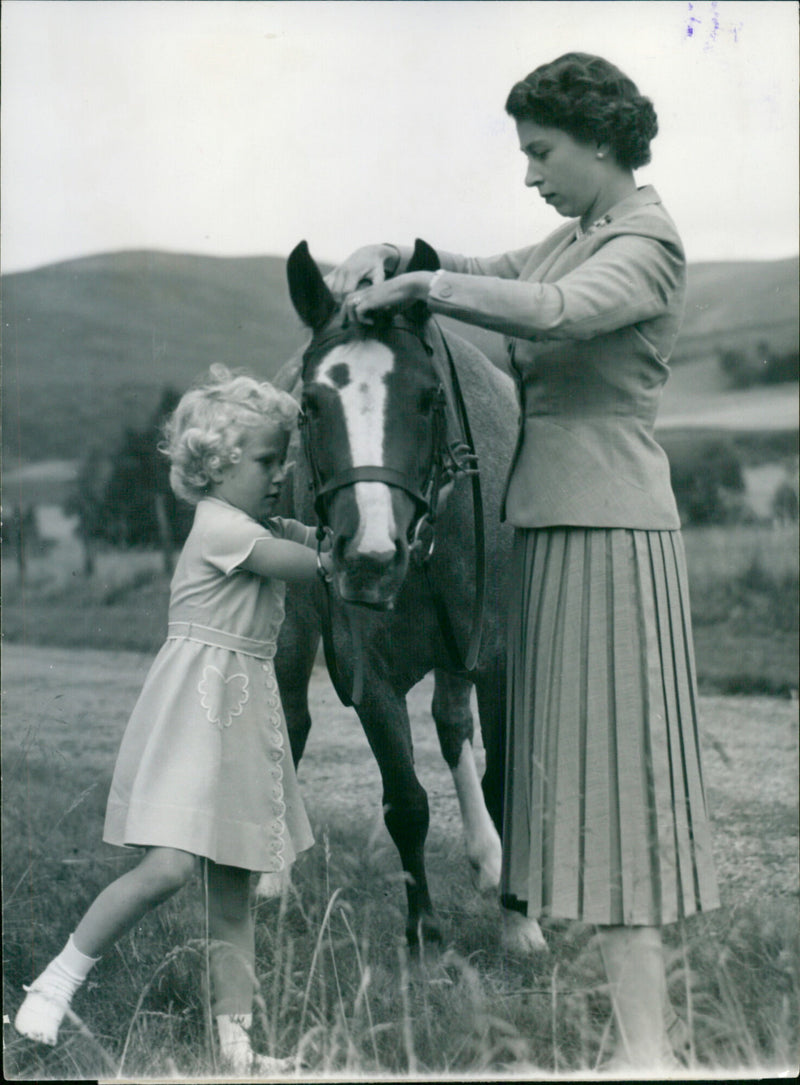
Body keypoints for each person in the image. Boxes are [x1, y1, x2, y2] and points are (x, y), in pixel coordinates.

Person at [325, 52, 720, 1072]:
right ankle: (629, 1029)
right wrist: (398, 249)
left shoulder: (645, 239)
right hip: (550, 525)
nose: (530, 172)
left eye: (540, 152)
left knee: (616, 780)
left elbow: (551, 311)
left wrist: (423, 284)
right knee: (570, 775)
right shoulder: (576, 233)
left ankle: (647, 1046)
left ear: (599, 139)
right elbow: (502, 272)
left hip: (608, 529)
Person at [14, 365, 331, 1074]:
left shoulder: (253, 520)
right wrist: (345, 551)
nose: (279, 474)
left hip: (241, 716)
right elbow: (305, 562)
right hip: (197, 711)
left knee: (235, 887)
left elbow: (304, 538)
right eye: (264, 461)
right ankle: (55, 980)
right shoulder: (220, 527)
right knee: (167, 866)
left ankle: (236, 1046)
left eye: (285, 460)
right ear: (215, 465)